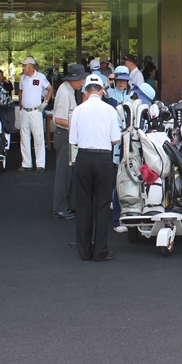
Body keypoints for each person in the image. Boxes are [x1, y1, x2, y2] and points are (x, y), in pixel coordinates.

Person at [69, 74, 121, 262]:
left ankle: (84, 250)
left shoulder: (78, 110)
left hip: (83, 157)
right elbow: (115, 139)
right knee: (102, 205)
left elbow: (73, 140)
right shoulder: (110, 110)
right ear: (101, 91)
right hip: (103, 159)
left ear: (85, 92)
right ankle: (100, 250)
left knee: (83, 205)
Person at [52, 64, 87, 220]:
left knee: (70, 172)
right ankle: (60, 208)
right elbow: (58, 119)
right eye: (81, 79)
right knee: (63, 173)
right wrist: (77, 125)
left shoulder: (69, 90)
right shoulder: (65, 93)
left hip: (68, 135)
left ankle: (69, 205)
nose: (82, 82)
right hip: (64, 134)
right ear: (74, 79)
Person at [18, 56, 53, 172]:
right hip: (25, 111)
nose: (23, 68)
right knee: (24, 137)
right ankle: (26, 163)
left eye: (25, 66)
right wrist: (21, 104)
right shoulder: (22, 78)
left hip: (35, 111)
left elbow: (50, 89)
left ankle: (40, 164)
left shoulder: (40, 77)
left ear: (31, 67)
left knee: (38, 137)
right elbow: (21, 91)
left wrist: (45, 103)